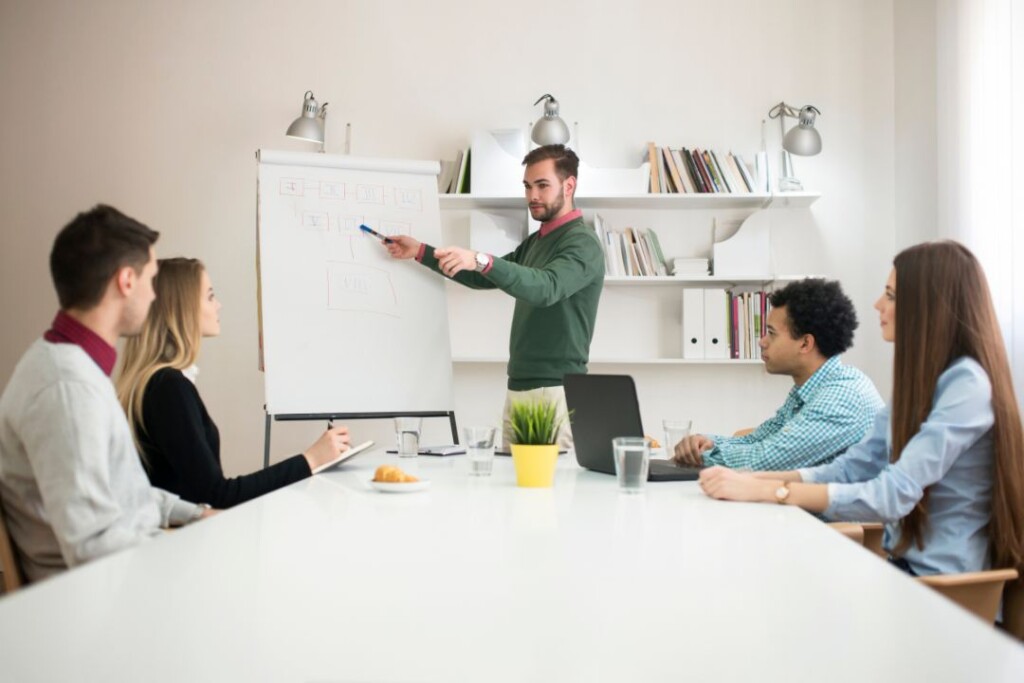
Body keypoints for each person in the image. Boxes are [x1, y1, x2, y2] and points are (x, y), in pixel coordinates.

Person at [699, 241, 1024, 577]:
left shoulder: (966, 386)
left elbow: (891, 495)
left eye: (891, 295)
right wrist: (748, 480)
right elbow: (851, 468)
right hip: (902, 567)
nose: (877, 304)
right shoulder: (922, 382)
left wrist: (771, 490)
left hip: (945, 586)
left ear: (928, 307)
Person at [0, 205, 213, 583]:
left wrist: (195, 514)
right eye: (151, 279)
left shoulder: (71, 366)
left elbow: (124, 491)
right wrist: (180, 554)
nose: (153, 296)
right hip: (101, 600)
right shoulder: (67, 389)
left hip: (133, 566)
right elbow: (91, 548)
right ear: (126, 281)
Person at [384, 144, 604, 448]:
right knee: (514, 491)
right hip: (520, 387)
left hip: (556, 391)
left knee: (554, 491)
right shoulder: (536, 242)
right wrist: (421, 251)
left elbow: (545, 287)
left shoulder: (583, 244)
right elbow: (481, 275)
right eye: (527, 186)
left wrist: (481, 258)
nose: (532, 196)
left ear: (569, 186)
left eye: (542, 185)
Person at [116, 258, 351, 509]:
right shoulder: (168, 387)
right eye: (210, 296)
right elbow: (218, 494)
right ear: (182, 307)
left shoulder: (158, 383)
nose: (218, 305)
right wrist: (311, 459)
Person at [673, 278, 884, 471]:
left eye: (771, 333)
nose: (761, 341)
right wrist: (706, 442)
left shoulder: (842, 397)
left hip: (828, 513)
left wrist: (702, 455)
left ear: (805, 343)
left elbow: (765, 460)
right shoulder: (810, 389)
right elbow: (758, 440)